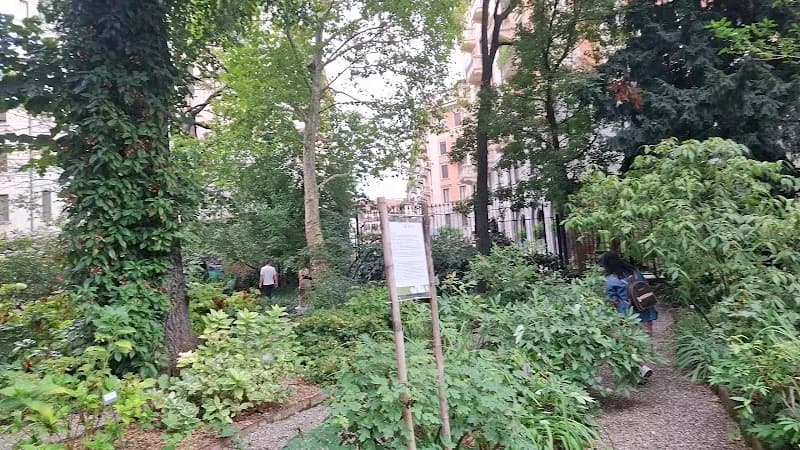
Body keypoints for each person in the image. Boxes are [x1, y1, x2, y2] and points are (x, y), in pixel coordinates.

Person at [599, 251, 657, 379]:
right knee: (647, 336)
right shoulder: (635, 271)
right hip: (645, 306)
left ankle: (641, 367)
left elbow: (613, 300)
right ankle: (646, 363)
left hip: (628, 312)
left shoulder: (611, 279)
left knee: (630, 339)